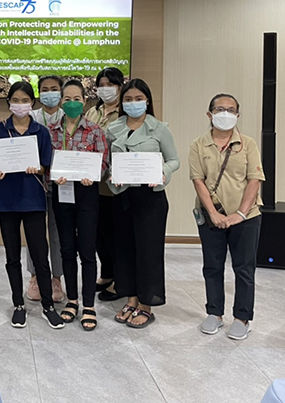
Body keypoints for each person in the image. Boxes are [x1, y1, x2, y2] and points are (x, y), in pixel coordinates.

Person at [190, 94, 264, 340]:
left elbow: (254, 180)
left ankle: (243, 317)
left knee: (244, 267)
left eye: (231, 110)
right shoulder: (198, 145)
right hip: (211, 216)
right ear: (209, 114)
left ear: (238, 115)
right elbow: (198, 181)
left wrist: (240, 214)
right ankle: (214, 313)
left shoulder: (248, 144)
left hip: (246, 217)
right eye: (220, 109)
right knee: (212, 266)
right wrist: (213, 214)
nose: (225, 113)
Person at [0, 82, 64, 329]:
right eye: (16, 100)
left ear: (32, 104)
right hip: (6, 200)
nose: (20, 105)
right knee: (12, 256)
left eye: (25, 101)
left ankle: (47, 305)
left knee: (40, 255)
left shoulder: (40, 131)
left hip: (33, 200)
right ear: (8, 101)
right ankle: (18, 305)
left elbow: (45, 165)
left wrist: (39, 168)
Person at [108, 78, 179, 328]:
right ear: (121, 102)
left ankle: (147, 304)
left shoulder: (159, 128)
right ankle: (131, 298)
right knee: (124, 250)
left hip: (150, 198)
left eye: (138, 99)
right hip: (122, 197)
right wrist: (111, 177)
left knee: (148, 252)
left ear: (147, 101)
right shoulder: (113, 128)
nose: (133, 103)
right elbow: (109, 163)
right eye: (128, 99)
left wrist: (163, 174)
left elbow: (174, 160)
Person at [47, 79, 109, 331]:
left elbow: (103, 164)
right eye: (67, 99)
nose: (72, 103)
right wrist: (53, 174)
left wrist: (93, 174)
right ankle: (71, 300)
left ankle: (89, 305)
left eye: (77, 99)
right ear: (61, 102)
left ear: (85, 101)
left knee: (87, 249)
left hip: (86, 194)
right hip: (61, 193)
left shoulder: (95, 131)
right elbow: (45, 162)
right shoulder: (51, 131)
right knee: (66, 249)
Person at [85, 67, 124, 302]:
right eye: (101, 84)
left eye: (110, 84)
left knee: (116, 233)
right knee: (98, 233)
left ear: (120, 85)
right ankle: (107, 273)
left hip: (116, 185)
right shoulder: (92, 112)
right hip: (93, 183)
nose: (105, 88)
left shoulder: (125, 112)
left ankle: (121, 279)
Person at [26, 75, 65, 303]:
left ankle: (56, 278)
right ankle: (34, 277)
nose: (50, 93)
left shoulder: (68, 117)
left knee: (58, 233)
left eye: (54, 89)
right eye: (45, 89)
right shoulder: (29, 117)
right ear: (38, 93)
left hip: (61, 184)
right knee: (35, 232)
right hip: (35, 183)